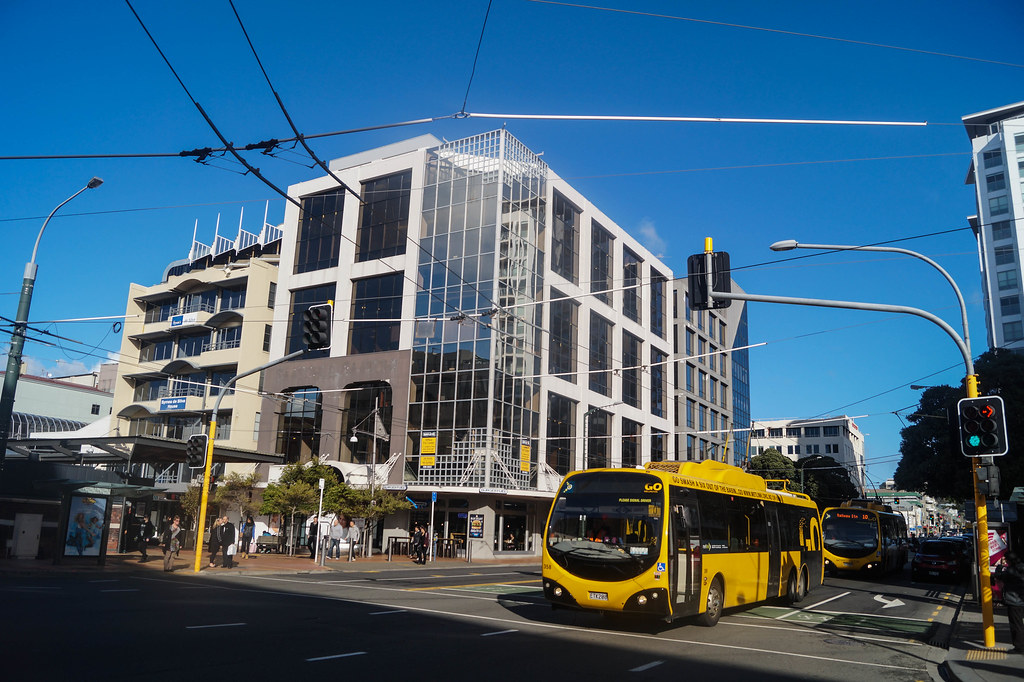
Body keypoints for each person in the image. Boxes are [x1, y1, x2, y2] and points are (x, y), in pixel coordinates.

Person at [997, 552, 1024, 653]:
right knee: (1020, 624)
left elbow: (999, 576)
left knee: (1016, 625)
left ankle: (1019, 647)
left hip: (1014, 601)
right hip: (1021, 599)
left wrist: (999, 566)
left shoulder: (1011, 571)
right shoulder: (1021, 567)